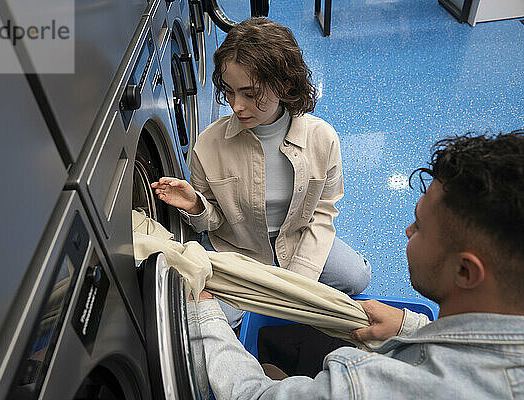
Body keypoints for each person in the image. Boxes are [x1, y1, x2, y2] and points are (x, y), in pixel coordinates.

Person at [195, 131, 524, 399]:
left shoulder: (365, 385)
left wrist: (205, 316)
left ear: (465, 272)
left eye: (420, 227)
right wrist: (412, 329)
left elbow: (252, 395)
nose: (408, 231)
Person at [152, 18, 371, 328]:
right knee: (203, 320)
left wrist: (297, 280)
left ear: (285, 84)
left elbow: (322, 214)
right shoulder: (209, 145)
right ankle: (252, 305)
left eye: (251, 94)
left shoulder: (322, 139)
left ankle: (264, 301)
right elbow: (213, 222)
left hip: (296, 240)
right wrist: (197, 205)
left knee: (357, 276)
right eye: (229, 91)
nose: (237, 106)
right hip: (237, 250)